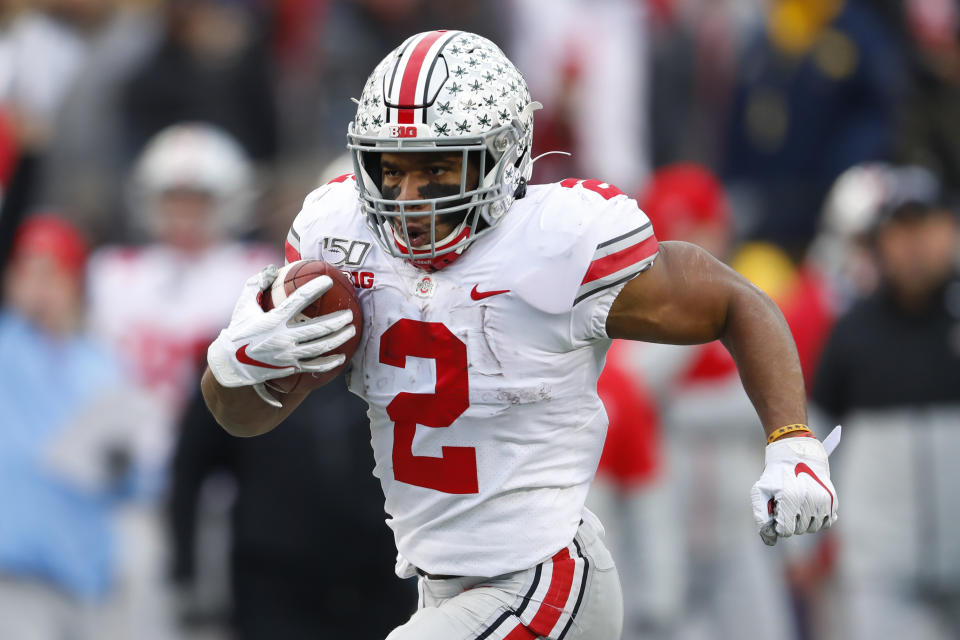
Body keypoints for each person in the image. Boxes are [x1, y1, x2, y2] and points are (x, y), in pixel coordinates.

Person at [201, 31, 839, 639]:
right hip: (444, 590)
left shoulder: (556, 242)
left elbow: (733, 299)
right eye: (391, 170)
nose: (409, 198)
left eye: (437, 170)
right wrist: (234, 366)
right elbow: (241, 420)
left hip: (544, 582)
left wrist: (793, 442)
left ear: (503, 156)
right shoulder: (337, 235)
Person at [812, 167, 960, 640]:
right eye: (902, 231)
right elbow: (812, 436)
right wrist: (801, 544)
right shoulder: (853, 330)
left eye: (927, 227)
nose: (915, 245)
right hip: (880, 567)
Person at [0, 214, 157, 639]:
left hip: (88, 570)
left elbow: (135, 479)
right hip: (15, 569)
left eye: (51, 275)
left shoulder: (101, 362)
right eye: (26, 273)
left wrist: (123, 465)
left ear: (74, 283)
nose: (38, 289)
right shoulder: (6, 347)